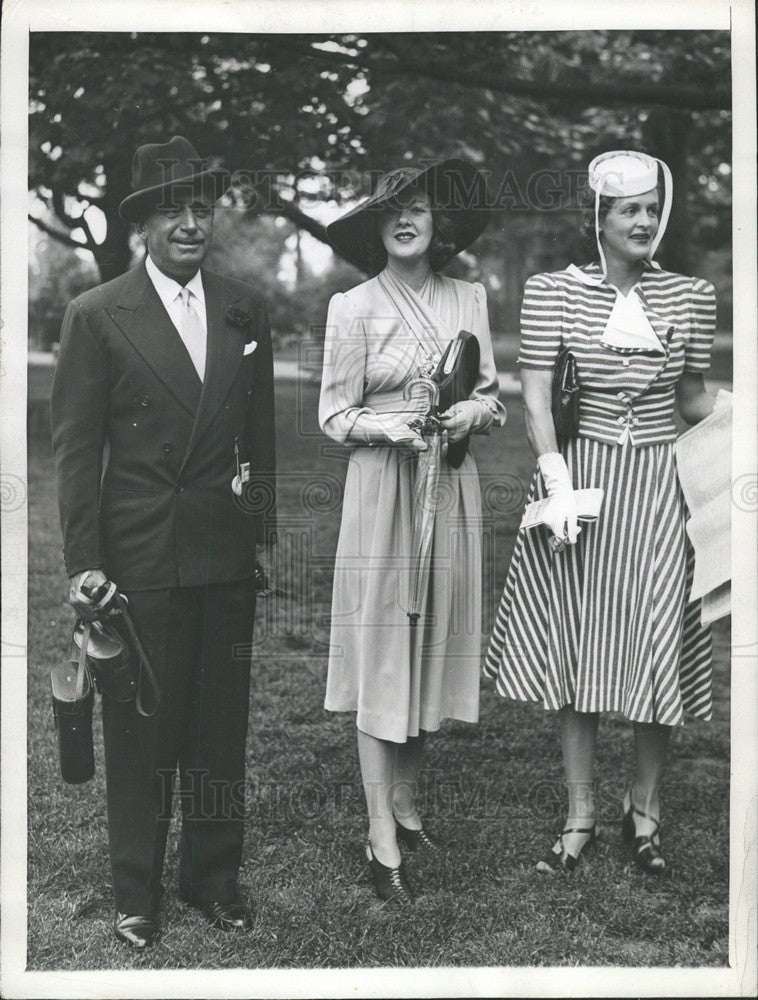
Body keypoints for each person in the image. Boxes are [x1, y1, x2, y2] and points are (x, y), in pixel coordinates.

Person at [51, 136, 276, 947]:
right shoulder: (95, 313)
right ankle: (135, 892)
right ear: (142, 221)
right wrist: (85, 566)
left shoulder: (246, 306)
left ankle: (214, 878)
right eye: (172, 208)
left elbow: (259, 434)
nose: (190, 222)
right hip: (139, 557)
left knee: (220, 727)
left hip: (222, 553)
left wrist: (261, 531)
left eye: (201, 207)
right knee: (144, 729)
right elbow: (76, 453)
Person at [484, 150, 717, 875]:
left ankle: (644, 812)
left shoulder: (690, 296)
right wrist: (555, 478)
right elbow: (537, 392)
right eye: (629, 210)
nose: (643, 220)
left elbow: (694, 401)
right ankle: (579, 812)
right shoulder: (554, 291)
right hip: (579, 476)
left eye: (652, 208)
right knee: (577, 648)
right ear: (600, 218)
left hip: (657, 480)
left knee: (655, 644)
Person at [320, 159, 506, 903]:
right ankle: (378, 833)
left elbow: (489, 394)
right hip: (383, 490)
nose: (405, 219)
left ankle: (405, 801)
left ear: (440, 224)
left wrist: (473, 412)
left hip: (447, 487)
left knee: (428, 644)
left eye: (419, 208)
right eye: (391, 208)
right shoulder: (352, 305)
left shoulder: (469, 296)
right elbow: (333, 414)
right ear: (376, 223)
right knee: (381, 650)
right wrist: (394, 427)